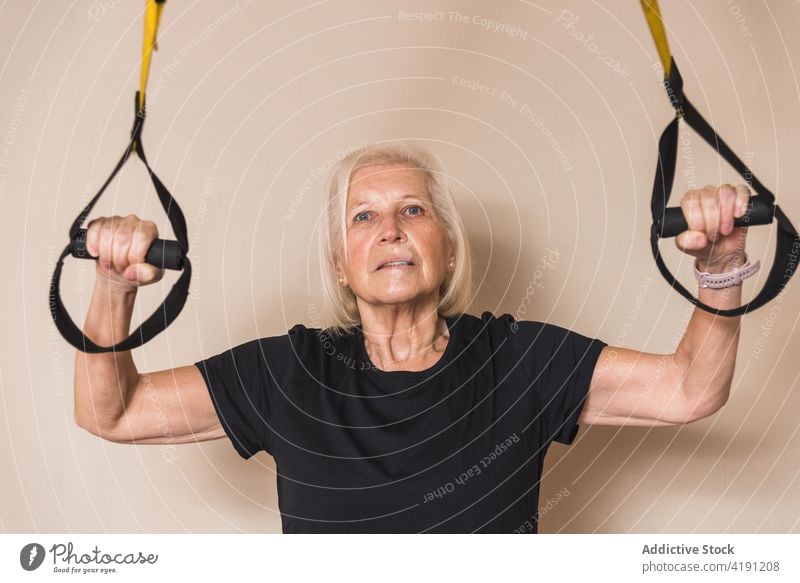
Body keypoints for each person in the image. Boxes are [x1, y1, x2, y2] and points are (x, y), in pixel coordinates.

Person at [74, 142, 752, 533]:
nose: (390, 228)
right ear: (341, 260)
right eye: (364, 214)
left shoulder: (517, 361)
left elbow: (691, 387)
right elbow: (112, 409)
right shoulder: (290, 373)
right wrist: (113, 286)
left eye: (413, 209)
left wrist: (722, 268)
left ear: (447, 248)